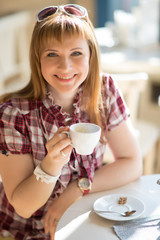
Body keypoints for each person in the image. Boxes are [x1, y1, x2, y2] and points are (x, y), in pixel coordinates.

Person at [0, 4, 142, 240]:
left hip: (84, 219)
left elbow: (132, 163)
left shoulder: (104, 91)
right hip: (27, 231)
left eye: (76, 53)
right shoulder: (13, 114)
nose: (65, 66)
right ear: (38, 59)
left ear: (90, 55)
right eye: (52, 54)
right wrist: (51, 165)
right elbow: (24, 207)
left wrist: (77, 189)